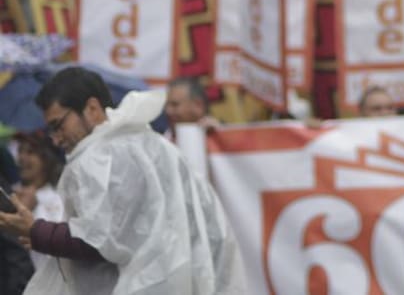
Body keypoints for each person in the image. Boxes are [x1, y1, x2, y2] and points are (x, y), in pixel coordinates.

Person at [0, 66, 245, 293]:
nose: (55, 139)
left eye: (58, 125)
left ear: (92, 109)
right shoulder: (153, 143)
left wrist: (35, 230)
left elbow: (99, 240)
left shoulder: (100, 157)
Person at [12, 130, 64, 270]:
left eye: (30, 152)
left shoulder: (58, 197)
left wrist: (33, 209)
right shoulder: (9, 193)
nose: (22, 158)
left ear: (46, 159)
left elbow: (58, 244)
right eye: (20, 151)